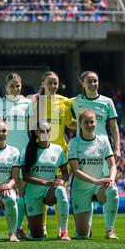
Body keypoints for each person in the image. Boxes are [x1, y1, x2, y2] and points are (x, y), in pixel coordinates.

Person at [71, 71, 121, 237]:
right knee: (87, 189)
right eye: (89, 81)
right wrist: (38, 97)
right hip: (84, 152)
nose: (93, 84)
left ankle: (110, 229)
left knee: (110, 188)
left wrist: (118, 148)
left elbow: (114, 127)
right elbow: (53, 101)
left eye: (95, 81)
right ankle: (87, 225)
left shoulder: (107, 102)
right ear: (82, 84)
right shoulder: (74, 102)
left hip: (103, 151)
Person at [0, 73, 34, 239]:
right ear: (6, 87)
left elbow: (32, 129)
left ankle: (18, 228)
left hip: (22, 153)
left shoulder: (28, 103)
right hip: (3, 154)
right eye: (12, 85)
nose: (15, 88)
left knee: (21, 192)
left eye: (18, 85)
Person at [32, 71, 76, 237]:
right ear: (43, 83)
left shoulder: (65, 101)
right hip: (40, 153)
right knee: (40, 191)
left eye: (55, 83)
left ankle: (62, 229)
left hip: (59, 154)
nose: (52, 86)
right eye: (49, 82)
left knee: (60, 190)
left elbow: (70, 123)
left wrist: (91, 124)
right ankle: (41, 227)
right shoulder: (35, 101)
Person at [22, 121, 71, 241]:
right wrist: (44, 182)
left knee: (61, 190)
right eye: (42, 131)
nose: (45, 133)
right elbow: (25, 177)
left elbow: (65, 173)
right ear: (36, 133)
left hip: (49, 191)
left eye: (47, 131)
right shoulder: (28, 150)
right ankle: (32, 229)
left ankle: (64, 232)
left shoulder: (58, 150)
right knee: (37, 236)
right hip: (32, 194)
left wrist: (61, 181)